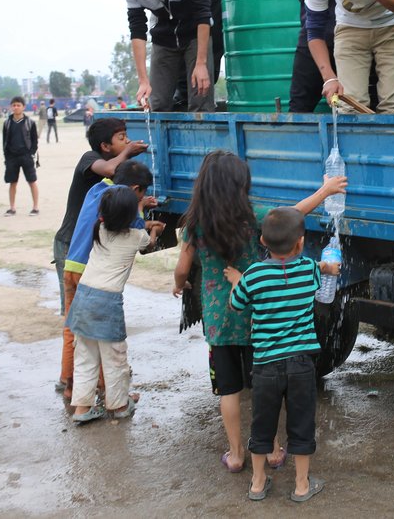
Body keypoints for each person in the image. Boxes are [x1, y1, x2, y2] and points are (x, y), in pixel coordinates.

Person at [172, 150, 346, 475]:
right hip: (257, 313)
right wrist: (324, 192)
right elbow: (291, 215)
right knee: (263, 384)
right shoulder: (251, 217)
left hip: (219, 318)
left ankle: (237, 454)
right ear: (240, 186)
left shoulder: (194, 224)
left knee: (229, 388)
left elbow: (182, 269)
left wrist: (179, 284)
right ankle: (274, 449)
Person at [225, 207, 335, 502]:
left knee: (263, 424)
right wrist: (327, 268)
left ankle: (258, 483)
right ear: (301, 243)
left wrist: (237, 280)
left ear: (262, 240)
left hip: (266, 366)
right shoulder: (308, 270)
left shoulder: (254, 275)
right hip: (301, 364)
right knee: (301, 423)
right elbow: (317, 272)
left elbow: (236, 304)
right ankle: (301, 485)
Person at [53, 118, 148, 395]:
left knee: (79, 325)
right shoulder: (91, 160)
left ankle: (72, 382)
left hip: (79, 254)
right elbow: (110, 169)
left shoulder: (102, 188)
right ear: (105, 145)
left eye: (127, 136)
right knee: (81, 326)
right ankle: (80, 382)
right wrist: (129, 154)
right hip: (74, 249)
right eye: (121, 138)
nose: (127, 141)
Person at [60, 160, 162, 401]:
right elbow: (138, 233)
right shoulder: (126, 213)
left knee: (74, 332)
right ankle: (111, 394)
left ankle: (69, 385)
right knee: (105, 341)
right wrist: (141, 211)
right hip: (92, 273)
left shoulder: (97, 191)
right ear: (135, 189)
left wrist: (137, 203)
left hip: (72, 267)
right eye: (141, 193)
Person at [2, 96, 40, 216]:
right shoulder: (7, 123)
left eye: (18, 105)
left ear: (23, 107)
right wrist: (6, 156)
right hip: (12, 157)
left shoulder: (30, 122)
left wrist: (31, 152)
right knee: (12, 182)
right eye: (14, 105)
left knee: (32, 181)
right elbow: (4, 141)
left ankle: (35, 207)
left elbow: (35, 140)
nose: (16, 107)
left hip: (26, 156)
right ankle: (12, 208)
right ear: (11, 107)